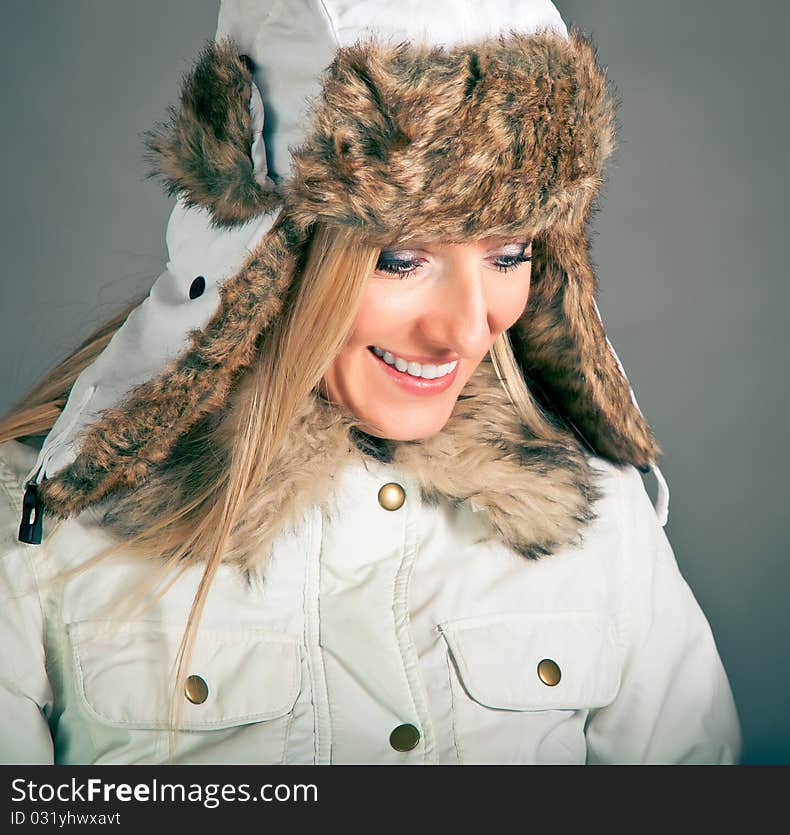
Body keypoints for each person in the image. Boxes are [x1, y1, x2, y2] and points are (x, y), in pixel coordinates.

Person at [0, 0, 741, 764]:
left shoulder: (594, 517)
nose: (464, 328)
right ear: (263, 258)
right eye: (402, 258)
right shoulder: (42, 537)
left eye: (510, 253)